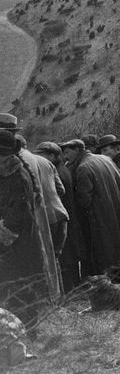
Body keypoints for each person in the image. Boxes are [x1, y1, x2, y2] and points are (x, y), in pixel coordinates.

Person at [0, 130, 61, 338]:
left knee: (20, 288)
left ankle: (24, 333)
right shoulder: (9, 171)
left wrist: (4, 234)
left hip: (18, 243)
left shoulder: (15, 175)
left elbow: (19, 213)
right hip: (17, 243)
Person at [62, 137, 120, 279]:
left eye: (67, 152)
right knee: (118, 247)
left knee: (104, 250)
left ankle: (109, 280)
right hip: (116, 209)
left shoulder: (83, 167)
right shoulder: (104, 159)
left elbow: (84, 200)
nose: (65, 157)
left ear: (78, 150)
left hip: (101, 215)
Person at [35, 140, 82, 291]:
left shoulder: (57, 171)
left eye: (43, 155)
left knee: (64, 257)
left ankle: (67, 289)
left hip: (58, 216)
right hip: (64, 215)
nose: (40, 159)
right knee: (66, 255)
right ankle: (71, 286)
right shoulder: (61, 169)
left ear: (53, 156)